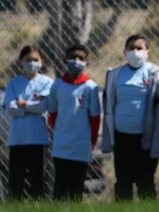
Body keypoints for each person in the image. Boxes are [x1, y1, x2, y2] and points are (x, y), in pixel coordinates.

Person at [102, 34, 159, 201]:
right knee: (123, 181)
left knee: (145, 182)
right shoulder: (115, 75)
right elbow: (109, 105)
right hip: (121, 137)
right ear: (124, 52)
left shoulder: (156, 75)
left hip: (145, 139)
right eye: (131, 48)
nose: (135, 52)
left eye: (139, 48)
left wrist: (157, 141)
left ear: (148, 52)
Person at [47, 43, 102, 201]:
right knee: (60, 186)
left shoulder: (90, 87)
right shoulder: (57, 85)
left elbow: (95, 117)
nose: (76, 60)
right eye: (73, 57)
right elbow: (52, 114)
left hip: (81, 145)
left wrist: (91, 141)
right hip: (61, 145)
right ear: (65, 60)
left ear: (86, 62)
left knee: (76, 188)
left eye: (81, 58)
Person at [2, 45, 54, 200]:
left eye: (35, 60)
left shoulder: (47, 82)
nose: (32, 63)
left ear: (42, 62)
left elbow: (44, 106)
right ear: (20, 62)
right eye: (28, 60)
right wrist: (32, 107)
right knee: (16, 179)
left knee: (37, 178)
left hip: (38, 137)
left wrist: (22, 104)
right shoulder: (13, 83)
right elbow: (10, 108)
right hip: (17, 138)